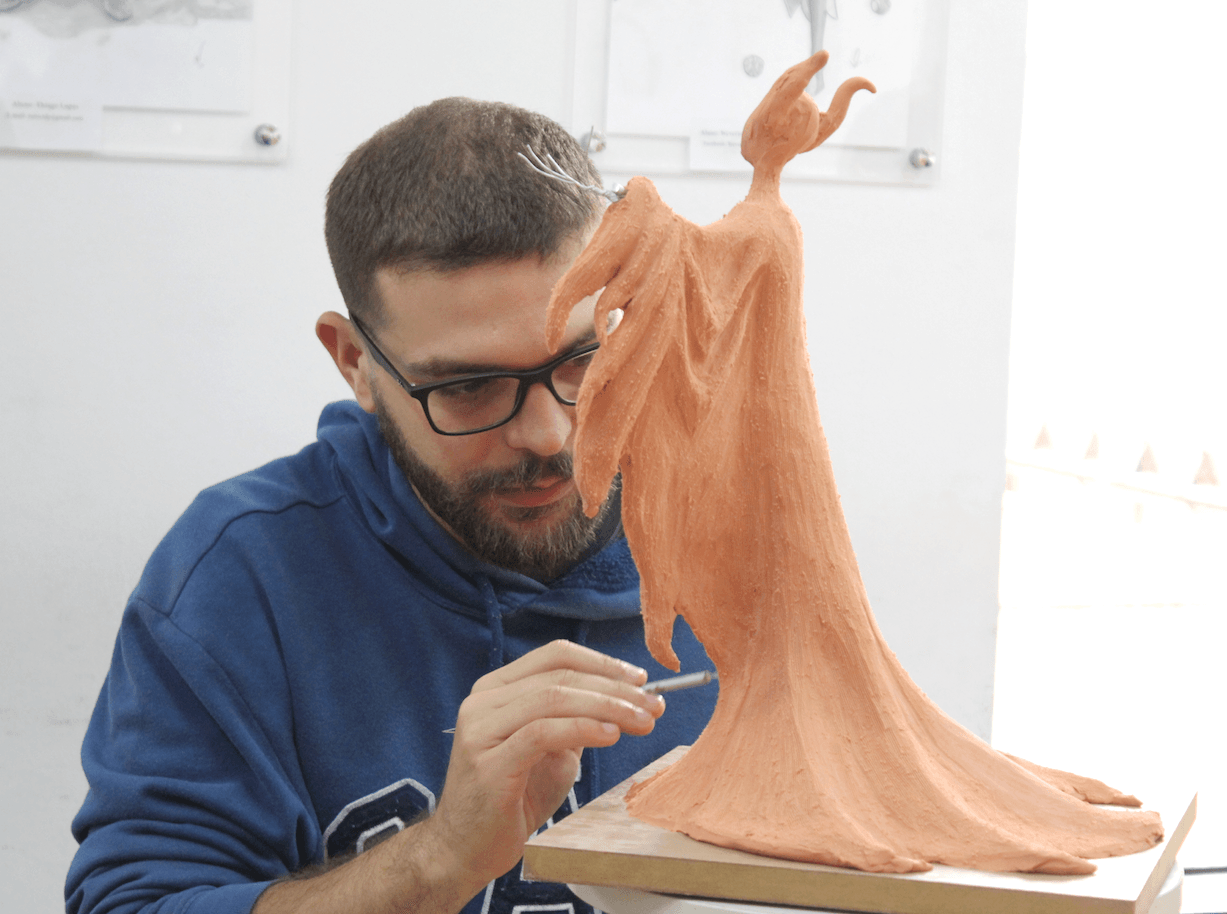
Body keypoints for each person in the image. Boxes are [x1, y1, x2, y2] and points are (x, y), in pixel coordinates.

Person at [66, 97, 717, 914]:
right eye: (469, 387)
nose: (549, 436)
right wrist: (438, 862)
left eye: (583, 359)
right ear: (355, 363)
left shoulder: (738, 530)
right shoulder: (240, 575)